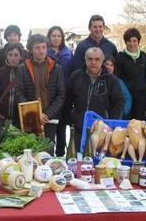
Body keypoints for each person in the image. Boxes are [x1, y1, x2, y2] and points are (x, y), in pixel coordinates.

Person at [15, 34, 66, 151]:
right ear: (31, 50)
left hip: (49, 118)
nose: (41, 51)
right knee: (30, 153)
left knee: (47, 153)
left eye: (43, 47)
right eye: (37, 48)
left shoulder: (56, 68)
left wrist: (47, 114)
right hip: (30, 118)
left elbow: (61, 94)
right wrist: (35, 113)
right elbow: (19, 93)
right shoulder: (23, 68)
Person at [66, 47, 124, 148]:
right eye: (90, 59)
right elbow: (67, 100)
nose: (93, 62)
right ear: (85, 60)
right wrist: (71, 118)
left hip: (101, 128)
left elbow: (119, 102)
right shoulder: (76, 76)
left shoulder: (111, 80)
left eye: (97, 59)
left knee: (99, 160)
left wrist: (109, 122)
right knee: (78, 158)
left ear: (102, 61)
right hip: (79, 127)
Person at [47, 26, 74, 156]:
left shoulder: (68, 52)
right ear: (49, 37)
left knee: (63, 125)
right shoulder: (45, 52)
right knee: (51, 124)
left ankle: (60, 153)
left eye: (58, 36)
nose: (56, 38)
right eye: (53, 36)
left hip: (66, 92)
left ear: (62, 38)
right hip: (50, 93)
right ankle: (48, 153)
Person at [115, 28, 146, 120]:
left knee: (138, 126)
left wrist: (143, 86)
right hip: (125, 99)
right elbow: (116, 78)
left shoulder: (143, 56)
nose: (132, 44)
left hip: (140, 98)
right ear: (125, 42)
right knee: (125, 126)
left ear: (138, 41)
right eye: (129, 41)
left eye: (134, 41)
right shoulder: (120, 57)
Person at [0, 43, 23, 126]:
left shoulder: (24, 72)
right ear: (6, 56)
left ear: (21, 57)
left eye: (16, 55)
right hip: (1, 116)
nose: (13, 58)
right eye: (10, 55)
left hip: (19, 118)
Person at [103, 55, 132, 119]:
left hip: (116, 118)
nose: (109, 67)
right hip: (101, 118)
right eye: (106, 64)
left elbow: (128, 99)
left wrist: (123, 111)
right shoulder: (98, 80)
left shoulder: (118, 82)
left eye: (111, 65)